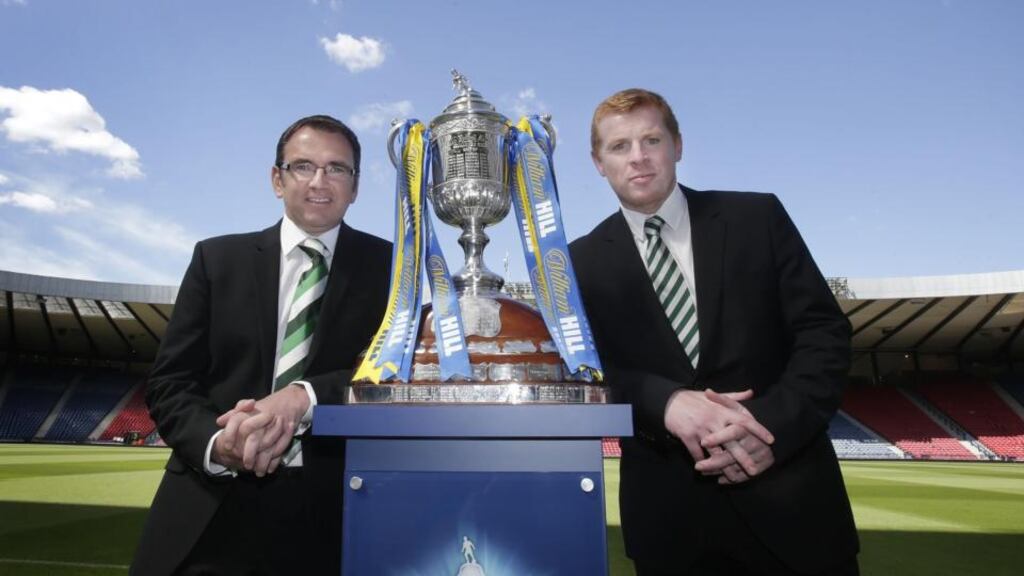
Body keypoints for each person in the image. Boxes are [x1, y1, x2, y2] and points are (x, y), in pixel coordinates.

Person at [569, 89, 858, 576]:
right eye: (619, 146)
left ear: (677, 146)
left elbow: (823, 334)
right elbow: (587, 373)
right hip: (671, 524)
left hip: (793, 507)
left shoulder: (757, 218)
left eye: (651, 139)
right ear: (598, 162)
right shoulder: (577, 263)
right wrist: (665, 402)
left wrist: (770, 430)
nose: (637, 157)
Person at [131, 115, 391, 575]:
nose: (319, 181)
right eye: (303, 166)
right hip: (212, 506)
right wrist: (218, 444)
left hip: (336, 513)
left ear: (355, 187)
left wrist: (304, 396)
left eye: (336, 169)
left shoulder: (391, 269)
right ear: (277, 179)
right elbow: (170, 382)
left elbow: (388, 375)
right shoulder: (216, 259)